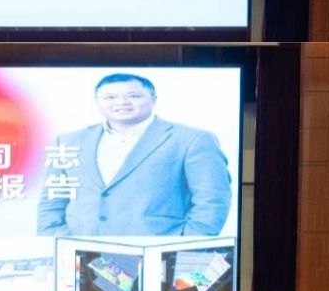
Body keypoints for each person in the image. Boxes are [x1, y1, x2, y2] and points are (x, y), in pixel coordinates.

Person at [36, 73, 231, 237]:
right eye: (110, 97)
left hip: (157, 253)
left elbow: (213, 200)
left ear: (154, 99)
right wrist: (58, 242)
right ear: (97, 102)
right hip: (80, 252)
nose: (122, 103)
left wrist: (184, 247)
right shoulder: (68, 141)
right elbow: (52, 200)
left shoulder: (192, 139)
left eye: (134, 96)